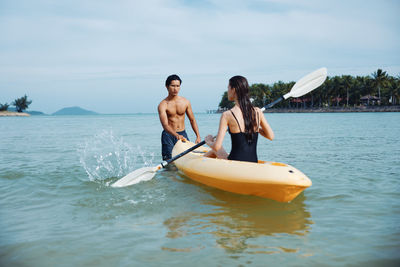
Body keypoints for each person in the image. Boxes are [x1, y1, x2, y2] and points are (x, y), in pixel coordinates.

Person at [204, 75, 274, 162]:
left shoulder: (227, 114)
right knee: (214, 151)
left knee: (215, 149)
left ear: (234, 90)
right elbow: (271, 136)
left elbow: (217, 146)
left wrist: (209, 141)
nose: (227, 91)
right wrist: (255, 128)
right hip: (253, 161)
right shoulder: (257, 111)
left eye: (228, 88)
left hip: (235, 162)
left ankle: (198, 164)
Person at [158, 74, 201, 160]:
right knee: (170, 162)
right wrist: (176, 135)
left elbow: (192, 120)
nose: (175, 89)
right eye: (173, 86)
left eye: (178, 86)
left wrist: (198, 136)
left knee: (187, 159)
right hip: (168, 136)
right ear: (167, 86)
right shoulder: (163, 105)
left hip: (182, 134)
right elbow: (165, 125)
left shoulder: (185, 102)